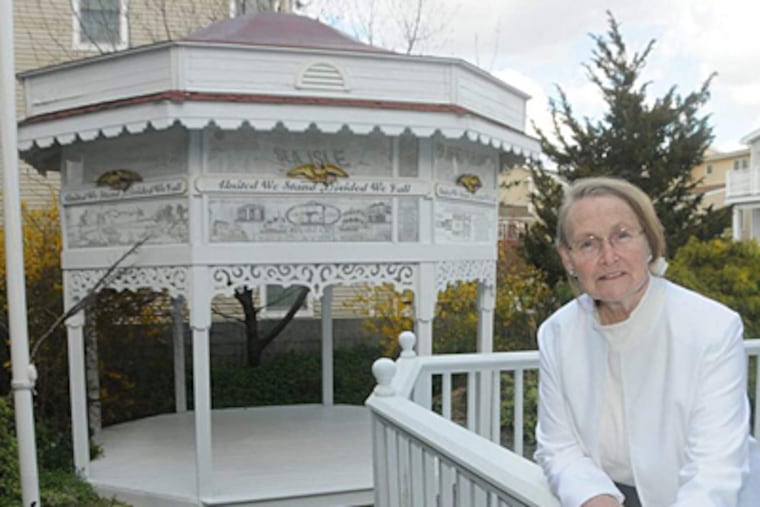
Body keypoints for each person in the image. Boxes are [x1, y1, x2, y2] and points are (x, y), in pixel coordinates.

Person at [534, 177, 760, 507]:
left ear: (650, 243)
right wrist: (595, 498)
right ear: (568, 259)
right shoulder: (557, 333)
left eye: (622, 236)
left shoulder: (713, 328)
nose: (608, 257)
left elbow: (714, 470)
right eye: (588, 244)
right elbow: (558, 446)